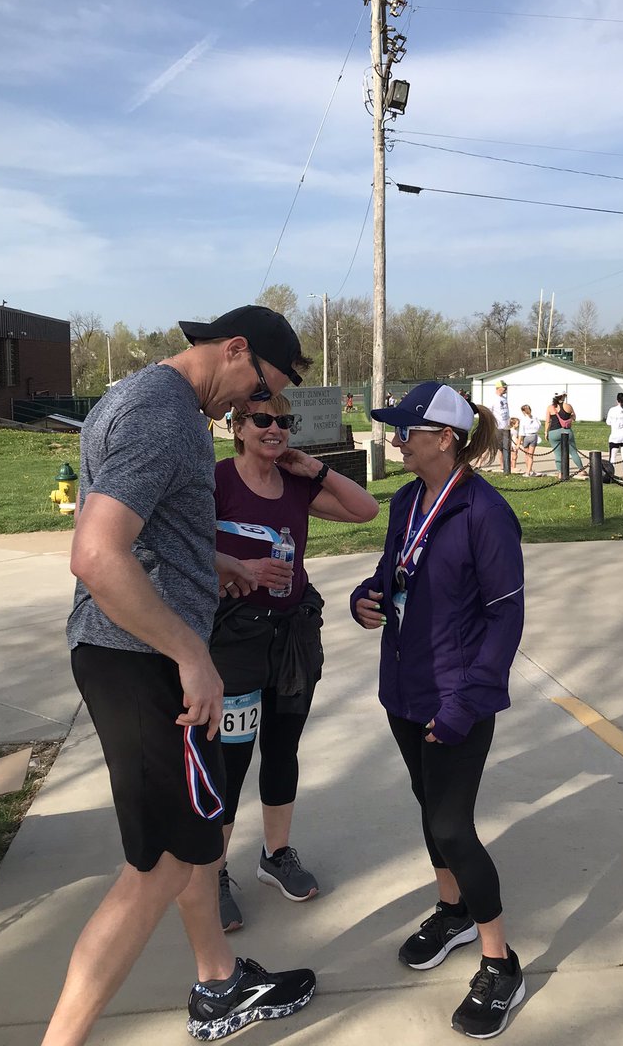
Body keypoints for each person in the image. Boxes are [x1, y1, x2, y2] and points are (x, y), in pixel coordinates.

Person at [48, 307, 317, 1046]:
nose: (254, 408)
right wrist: (192, 656)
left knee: (198, 837)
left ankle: (220, 982)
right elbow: (95, 554)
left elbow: (141, 529)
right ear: (235, 350)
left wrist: (214, 563)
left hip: (142, 649)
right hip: (141, 659)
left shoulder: (148, 399)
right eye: (258, 390)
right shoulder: (163, 416)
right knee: (161, 865)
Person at [350, 382, 526, 1039]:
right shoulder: (406, 500)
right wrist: (365, 598)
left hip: (456, 698)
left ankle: (500, 962)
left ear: (445, 438)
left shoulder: (485, 512)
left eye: (407, 431)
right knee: (429, 810)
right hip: (404, 688)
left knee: (452, 826)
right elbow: (391, 573)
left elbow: (506, 617)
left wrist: (467, 703)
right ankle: (453, 912)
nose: (396, 440)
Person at [208, 394, 378, 930]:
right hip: (235, 639)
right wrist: (241, 568)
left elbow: (365, 510)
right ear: (237, 427)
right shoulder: (217, 481)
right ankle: (213, 873)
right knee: (231, 761)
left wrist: (316, 468)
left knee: (283, 750)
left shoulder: (296, 484)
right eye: (262, 420)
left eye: (284, 421)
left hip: (292, 637)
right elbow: (179, 547)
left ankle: (276, 855)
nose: (275, 429)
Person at [545, 393, 584, 474]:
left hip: (554, 432)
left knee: (557, 454)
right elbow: (574, 417)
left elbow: (548, 421)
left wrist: (546, 432)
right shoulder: (568, 406)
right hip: (567, 431)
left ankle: (560, 472)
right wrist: (569, 419)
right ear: (563, 396)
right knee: (573, 452)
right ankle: (582, 470)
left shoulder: (550, 407)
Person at [488, 380, 511, 472]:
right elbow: (489, 413)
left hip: (506, 426)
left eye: (506, 387)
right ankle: (480, 464)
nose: (505, 389)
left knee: (505, 447)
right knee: (495, 447)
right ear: (498, 388)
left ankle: (504, 465)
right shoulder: (493, 399)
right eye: (504, 388)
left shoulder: (504, 398)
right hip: (497, 426)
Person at [517, 404, 541, 476]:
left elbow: (521, 432)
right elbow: (539, 426)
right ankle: (529, 470)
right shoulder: (535, 418)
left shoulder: (523, 420)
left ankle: (528, 471)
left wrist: (518, 443)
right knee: (530, 455)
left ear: (523, 412)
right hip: (533, 436)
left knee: (527, 455)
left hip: (526, 437)